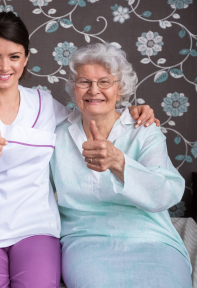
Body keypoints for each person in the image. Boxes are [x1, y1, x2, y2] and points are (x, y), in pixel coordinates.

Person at [0, 12, 158, 288]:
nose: (4, 66)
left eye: (14, 56)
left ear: (25, 59)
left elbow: (88, 113)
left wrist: (129, 111)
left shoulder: (44, 103)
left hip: (36, 225)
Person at [50, 42, 192, 288]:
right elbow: (32, 185)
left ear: (121, 88)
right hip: (86, 240)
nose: (94, 90)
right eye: (84, 82)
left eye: (105, 82)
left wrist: (119, 162)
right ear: (74, 88)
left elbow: (166, 194)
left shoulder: (144, 131)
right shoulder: (56, 135)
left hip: (151, 238)